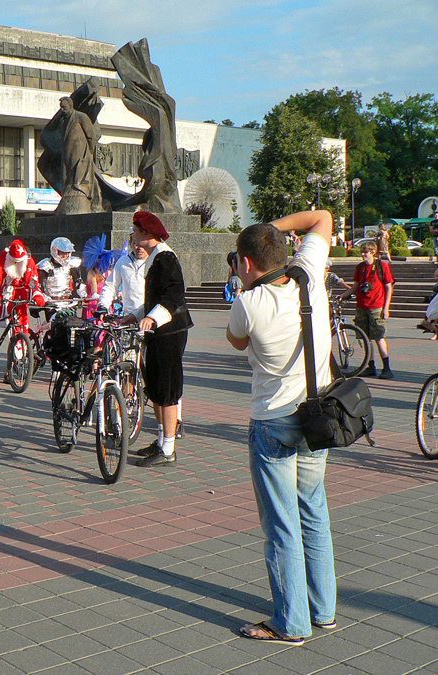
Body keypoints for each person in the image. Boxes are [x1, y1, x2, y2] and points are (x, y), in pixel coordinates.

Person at [226, 209, 336, 646]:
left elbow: (237, 340)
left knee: (281, 525)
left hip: (273, 421)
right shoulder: (308, 273)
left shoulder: (248, 304)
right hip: (316, 416)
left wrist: (241, 287)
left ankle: (291, 623)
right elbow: (322, 217)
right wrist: (275, 229)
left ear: (246, 263)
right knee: (314, 511)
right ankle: (323, 610)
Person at [128, 211, 192, 466]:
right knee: (155, 388)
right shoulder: (156, 256)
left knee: (167, 390)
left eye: (135, 231)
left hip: (170, 331)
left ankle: (168, 449)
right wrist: (135, 315)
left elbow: (173, 297)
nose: (133, 235)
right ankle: (161, 440)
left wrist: (152, 318)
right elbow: (153, 300)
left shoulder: (165, 257)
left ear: (147, 233)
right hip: (158, 331)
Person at [340, 241, 395, 379]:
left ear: (373, 252)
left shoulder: (382, 265)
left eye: (366, 252)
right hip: (361, 306)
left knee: (379, 337)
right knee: (365, 338)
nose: (363, 255)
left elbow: (388, 287)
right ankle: (371, 367)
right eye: (362, 252)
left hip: (376, 306)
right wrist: (342, 296)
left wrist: (386, 308)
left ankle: (386, 368)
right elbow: (355, 286)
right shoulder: (360, 267)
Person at [0, 239, 45, 342]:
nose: (16, 263)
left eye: (19, 261)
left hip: (21, 295)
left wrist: (37, 295)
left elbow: (33, 281)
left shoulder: (28, 260)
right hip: (5, 292)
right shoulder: (3, 256)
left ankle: (19, 347)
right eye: (14, 261)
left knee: (21, 322)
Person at [81, 234, 118, 319]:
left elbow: (113, 283)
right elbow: (93, 284)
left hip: (105, 302)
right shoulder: (92, 272)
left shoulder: (109, 272)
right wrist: (95, 293)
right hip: (93, 303)